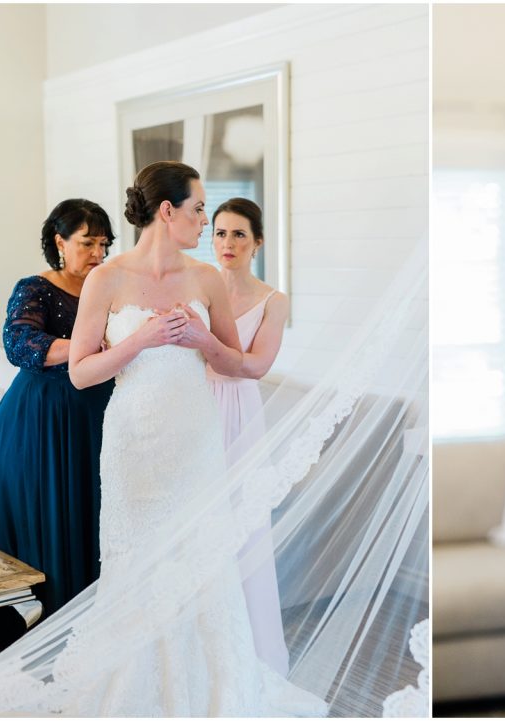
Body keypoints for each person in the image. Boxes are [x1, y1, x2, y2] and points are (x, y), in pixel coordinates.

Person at [65, 161, 324, 715]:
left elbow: (238, 364)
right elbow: (81, 372)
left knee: (201, 560)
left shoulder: (206, 280)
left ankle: (213, 690)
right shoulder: (105, 279)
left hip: (196, 441)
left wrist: (203, 339)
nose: (207, 221)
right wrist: (142, 341)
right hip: (133, 441)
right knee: (135, 559)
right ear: (168, 211)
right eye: (200, 208)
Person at [0, 199, 116, 653]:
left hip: (97, 415)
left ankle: (95, 632)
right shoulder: (35, 288)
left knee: (95, 517)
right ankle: (43, 639)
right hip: (41, 419)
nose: (98, 253)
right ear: (60, 242)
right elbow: (20, 344)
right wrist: (82, 346)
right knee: (49, 518)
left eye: (104, 243)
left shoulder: (112, 286)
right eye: (87, 243)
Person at [205, 197, 290, 675]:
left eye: (238, 234)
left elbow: (256, 366)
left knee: (239, 523)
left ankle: (247, 651)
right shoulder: (198, 286)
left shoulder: (273, 300)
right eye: (219, 233)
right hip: (194, 408)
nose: (227, 243)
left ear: (257, 241)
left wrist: (205, 345)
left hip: (238, 410)